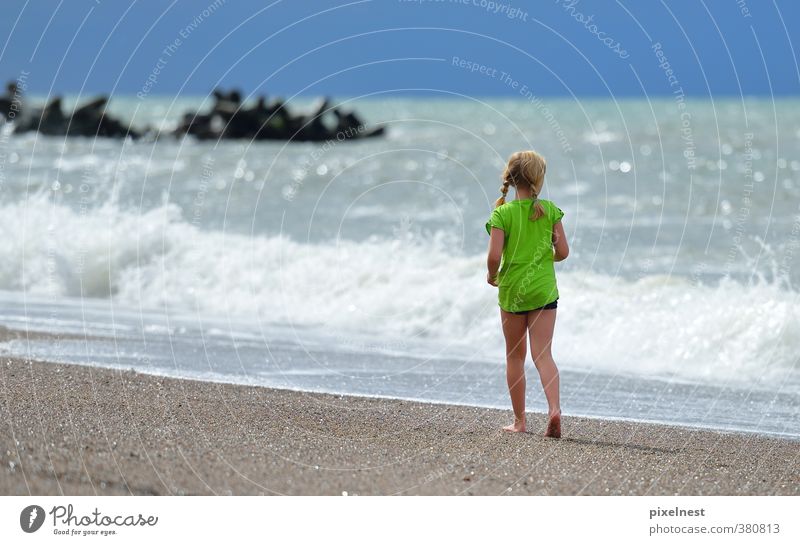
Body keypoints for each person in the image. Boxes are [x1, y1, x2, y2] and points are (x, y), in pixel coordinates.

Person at [485, 150, 569, 438]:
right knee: (543, 355)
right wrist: (546, 259)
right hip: (544, 289)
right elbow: (563, 252)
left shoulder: (502, 213)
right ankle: (554, 409)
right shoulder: (549, 210)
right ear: (538, 179)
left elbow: (494, 255)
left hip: (513, 292)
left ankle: (520, 422)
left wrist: (491, 275)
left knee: (515, 357)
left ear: (510, 178)